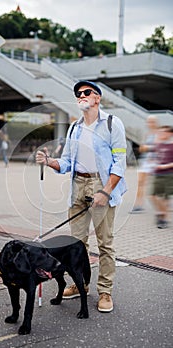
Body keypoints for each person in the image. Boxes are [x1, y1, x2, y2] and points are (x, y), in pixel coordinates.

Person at [36, 80, 127, 313]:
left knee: (105, 243)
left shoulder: (111, 124)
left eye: (86, 92)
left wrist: (106, 191)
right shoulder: (74, 127)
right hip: (78, 183)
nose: (81, 96)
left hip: (101, 183)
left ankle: (105, 291)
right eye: (78, 94)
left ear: (97, 98)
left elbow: (120, 163)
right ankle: (81, 285)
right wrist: (50, 162)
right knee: (76, 244)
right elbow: (66, 161)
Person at [130, 115, 159, 213]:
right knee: (140, 183)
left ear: (156, 123)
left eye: (152, 122)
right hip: (145, 161)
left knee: (158, 183)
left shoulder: (159, 134)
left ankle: (165, 202)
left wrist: (148, 148)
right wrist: (147, 148)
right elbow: (141, 148)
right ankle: (138, 205)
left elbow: (160, 147)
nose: (149, 124)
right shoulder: (147, 134)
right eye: (148, 122)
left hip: (156, 162)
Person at [150, 125, 173, 229]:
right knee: (152, 195)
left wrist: (165, 166)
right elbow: (153, 157)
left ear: (170, 134)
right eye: (160, 132)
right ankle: (160, 212)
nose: (160, 134)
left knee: (164, 197)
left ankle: (163, 219)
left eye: (163, 132)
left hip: (168, 174)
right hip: (157, 173)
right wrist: (153, 163)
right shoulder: (158, 145)